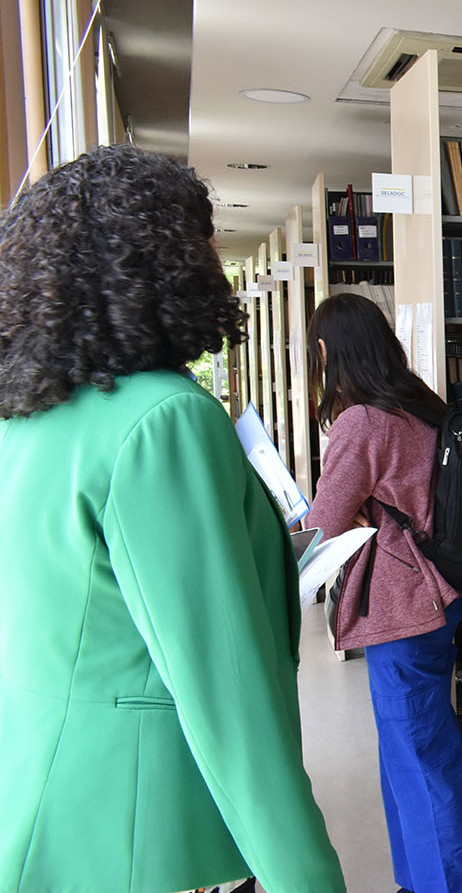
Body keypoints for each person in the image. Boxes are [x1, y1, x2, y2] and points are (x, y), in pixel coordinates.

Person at [0, 145, 345, 892]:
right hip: (142, 829)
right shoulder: (166, 420)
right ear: (162, 257)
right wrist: (306, 878)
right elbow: (227, 696)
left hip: (45, 806)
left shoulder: (27, 417)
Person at [302, 292, 462, 893]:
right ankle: (418, 880)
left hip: (402, 606)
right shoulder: (420, 406)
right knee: (414, 753)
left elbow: (323, 524)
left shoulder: (361, 422)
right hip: (441, 594)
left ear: (328, 351)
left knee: (419, 758)